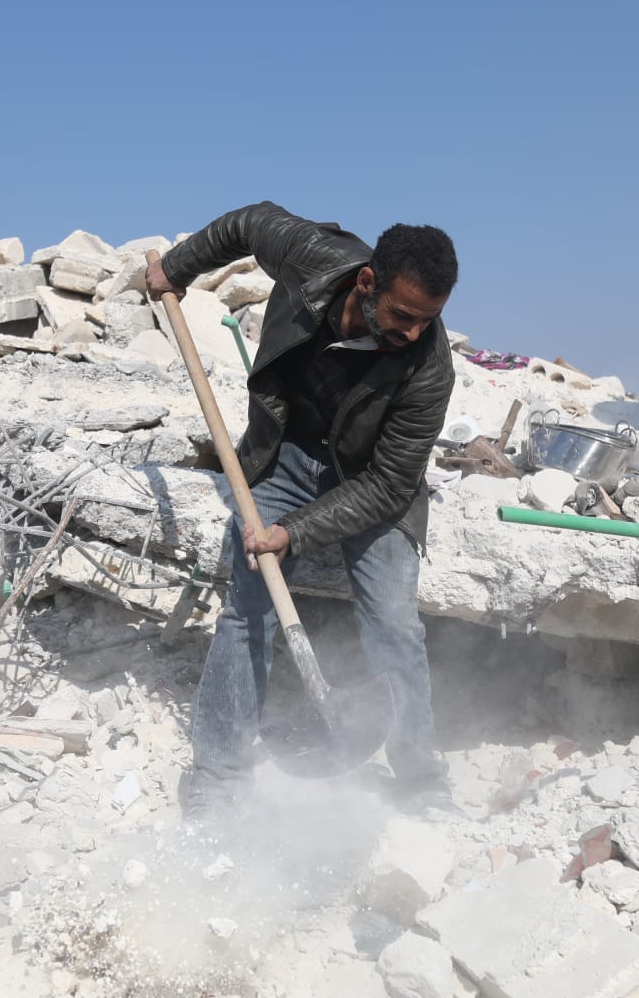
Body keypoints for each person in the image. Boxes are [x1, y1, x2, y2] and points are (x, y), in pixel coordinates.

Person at [146, 202, 461, 817]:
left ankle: (422, 781)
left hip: (371, 485)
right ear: (367, 282)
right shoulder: (312, 255)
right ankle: (218, 777)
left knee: (395, 624)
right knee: (248, 605)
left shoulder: (429, 368)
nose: (415, 333)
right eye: (404, 316)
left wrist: (296, 531)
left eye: (430, 320)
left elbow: (391, 483)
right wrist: (177, 269)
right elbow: (248, 222)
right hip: (284, 456)